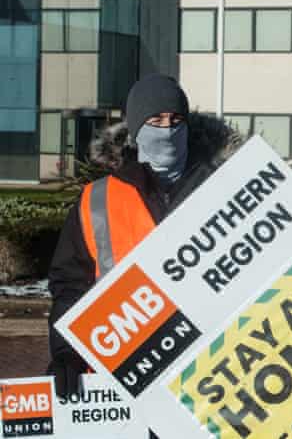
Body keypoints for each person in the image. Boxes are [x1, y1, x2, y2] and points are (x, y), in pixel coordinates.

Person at [47, 74, 238, 397]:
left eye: (176, 120)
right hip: (125, 376)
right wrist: (67, 352)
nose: (167, 130)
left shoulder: (223, 190)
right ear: (136, 128)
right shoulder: (96, 200)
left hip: (211, 376)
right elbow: (71, 286)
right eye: (156, 120)